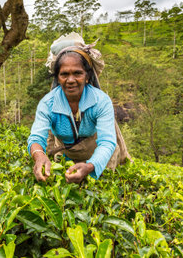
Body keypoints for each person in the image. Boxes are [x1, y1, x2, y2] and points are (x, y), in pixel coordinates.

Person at [27, 34, 117, 183]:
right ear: (57, 77)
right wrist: (39, 156)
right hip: (65, 157)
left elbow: (107, 142)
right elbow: (36, 137)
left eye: (77, 73)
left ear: (87, 76)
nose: (70, 80)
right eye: (64, 74)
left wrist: (90, 166)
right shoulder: (48, 103)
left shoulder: (101, 101)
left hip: (98, 158)